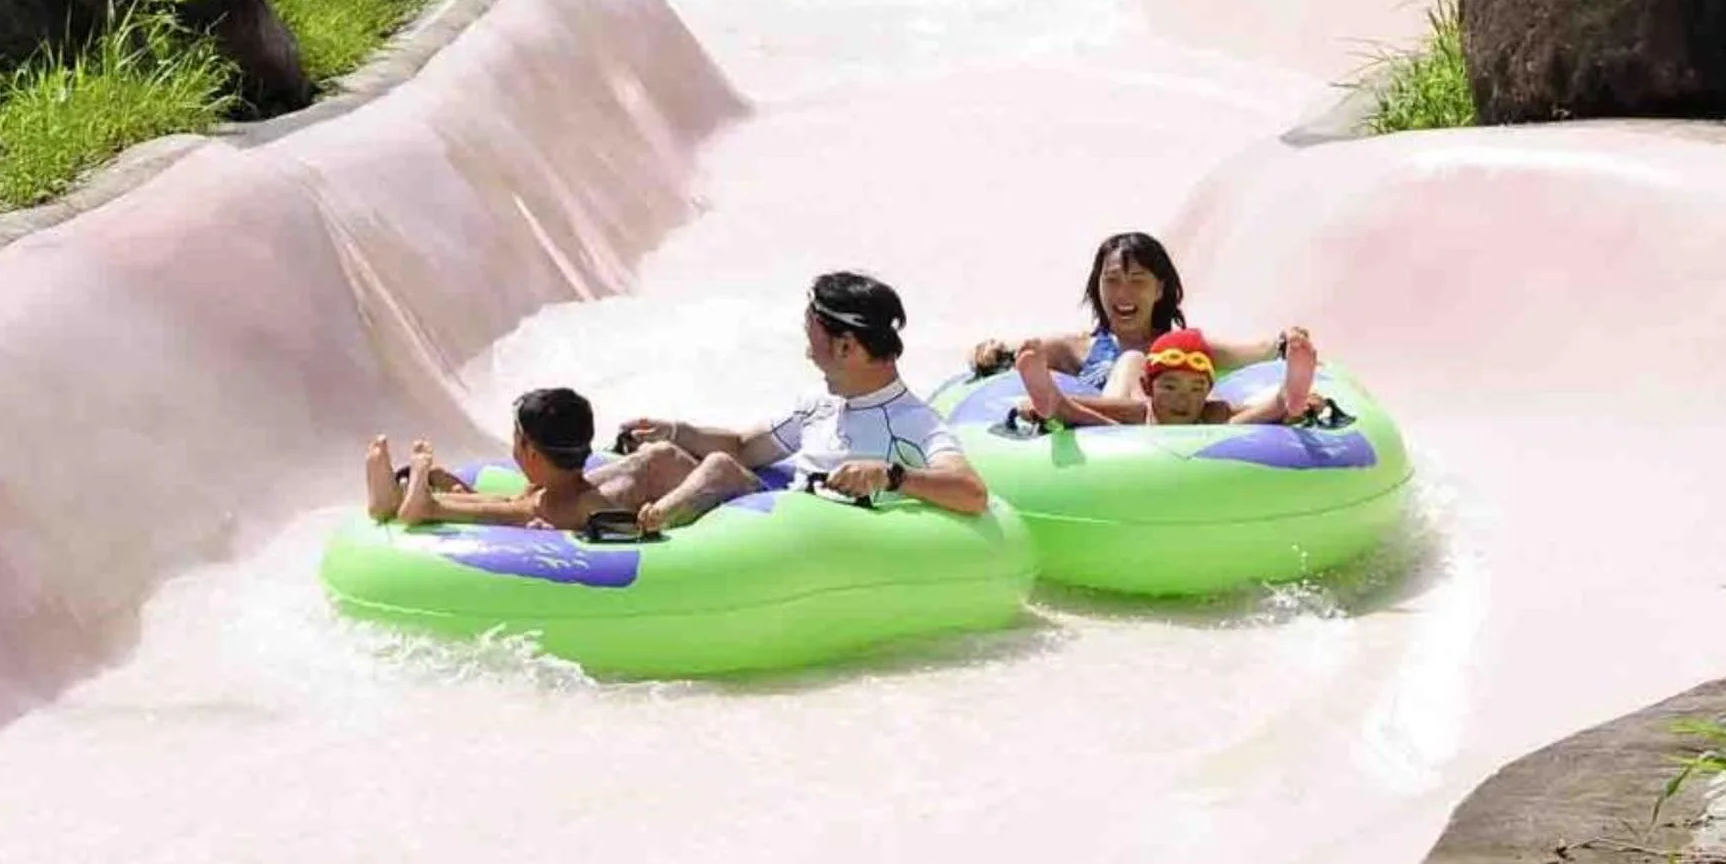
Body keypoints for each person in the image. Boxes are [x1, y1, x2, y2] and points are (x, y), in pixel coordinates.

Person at [608, 271, 991, 531]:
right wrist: (674, 431)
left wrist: (889, 475)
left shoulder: (912, 421)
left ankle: (646, 532)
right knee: (660, 457)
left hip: (815, 543)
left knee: (720, 470)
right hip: (771, 525)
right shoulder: (818, 403)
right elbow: (743, 447)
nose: (809, 355)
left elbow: (972, 493)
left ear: (845, 346)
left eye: (813, 341)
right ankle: (553, 509)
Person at [969, 231, 1288, 423]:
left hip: (1168, 441)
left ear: (1159, 289)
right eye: (1112, 281)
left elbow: (1262, 351)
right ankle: (1062, 407)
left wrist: (1288, 343)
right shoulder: (1073, 349)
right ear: (1098, 286)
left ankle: (1062, 407)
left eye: (1137, 282)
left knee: (1136, 360)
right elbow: (1015, 357)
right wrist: (989, 353)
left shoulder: (1181, 349)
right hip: (1101, 446)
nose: (1123, 295)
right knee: (1132, 361)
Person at [364, 386, 615, 531]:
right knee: (504, 502)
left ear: (532, 454)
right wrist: (459, 488)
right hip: (523, 508)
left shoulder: (587, 504)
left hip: (525, 522)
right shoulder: (546, 488)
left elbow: (622, 534)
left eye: (516, 439)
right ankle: (394, 500)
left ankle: (424, 505)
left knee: (507, 509)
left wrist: (553, 539)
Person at [1016, 325, 1331, 429]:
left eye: (1196, 388)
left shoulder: (1211, 410)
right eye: (1169, 385)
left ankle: (1289, 396)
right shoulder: (1141, 409)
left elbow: (1250, 413)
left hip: (1211, 434)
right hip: (1129, 434)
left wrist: (1290, 407)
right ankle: (1051, 401)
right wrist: (1050, 404)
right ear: (1147, 387)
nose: (1183, 398)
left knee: (1238, 424)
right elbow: (1088, 407)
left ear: (1208, 390)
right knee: (1101, 424)